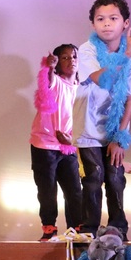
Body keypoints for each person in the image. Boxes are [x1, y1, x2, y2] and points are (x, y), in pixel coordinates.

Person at [73, 0, 131, 240]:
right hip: (89, 129)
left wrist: (119, 138)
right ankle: (89, 230)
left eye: (113, 18)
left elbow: (130, 100)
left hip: (115, 129)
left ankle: (118, 229)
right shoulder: (87, 50)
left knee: (115, 177)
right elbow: (102, 79)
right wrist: (126, 56)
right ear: (93, 24)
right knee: (94, 178)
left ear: (125, 23)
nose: (106, 24)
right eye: (100, 19)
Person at [31, 44, 84, 241]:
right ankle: (49, 229)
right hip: (44, 145)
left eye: (74, 56)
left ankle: (76, 229)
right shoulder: (56, 81)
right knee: (47, 190)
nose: (71, 60)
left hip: (67, 146)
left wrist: (72, 140)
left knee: (74, 190)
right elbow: (47, 81)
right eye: (65, 57)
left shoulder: (81, 88)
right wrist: (49, 67)